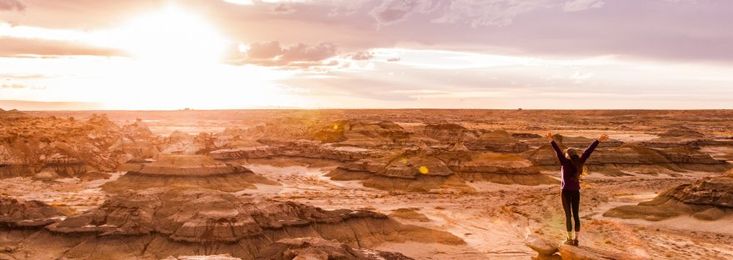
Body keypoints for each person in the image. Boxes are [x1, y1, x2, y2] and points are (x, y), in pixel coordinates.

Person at [545, 132, 608, 246]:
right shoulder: (580, 162)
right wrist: (598, 140)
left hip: (565, 192)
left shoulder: (564, 162)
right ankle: (576, 240)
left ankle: (569, 239)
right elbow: (588, 152)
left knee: (568, 216)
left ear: (568, 155)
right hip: (576, 192)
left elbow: (558, 151)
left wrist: (551, 140)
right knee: (576, 215)